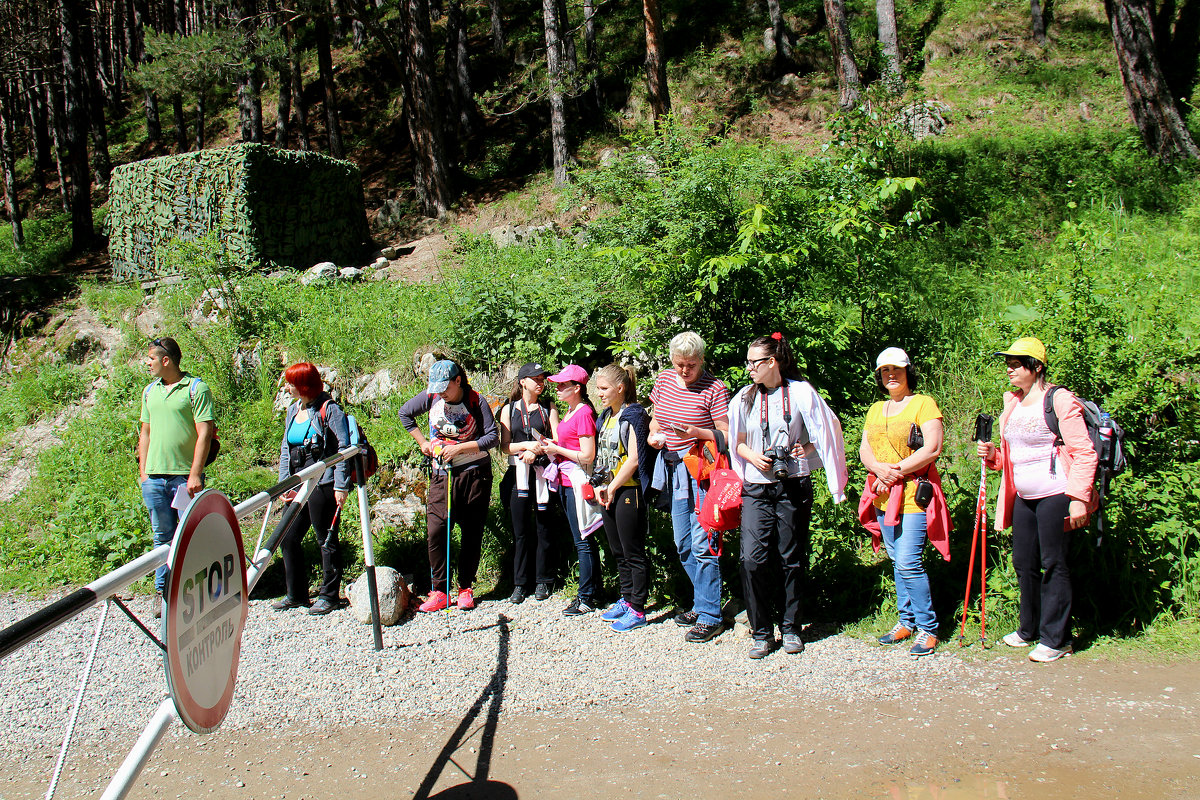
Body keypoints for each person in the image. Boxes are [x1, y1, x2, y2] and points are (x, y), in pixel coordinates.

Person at [727, 332, 849, 659]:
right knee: (752, 559)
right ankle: (762, 632)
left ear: (772, 362)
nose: (749, 368)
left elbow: (827, 431)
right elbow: (736, 442)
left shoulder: (800, 393)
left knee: (790, 558)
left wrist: (804, 449)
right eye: (748, 362)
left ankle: (792, 627)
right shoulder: (744, 397)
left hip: (792, 482)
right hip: (756, 485)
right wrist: (752, 457)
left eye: (755, 362)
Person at [977, 337, 1097, 663]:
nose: (1010, 369)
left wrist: (1078, 498)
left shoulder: (1059, 400)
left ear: (1037, 366)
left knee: (1054, 564)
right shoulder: (1013, 403)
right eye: (1008, 363)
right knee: (1023, 563)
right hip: (1024, 496)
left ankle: (1057, 639)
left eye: (1017, 363)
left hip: (1057, 492)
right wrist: (993, 456)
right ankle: (1028, 629)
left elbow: (1084, 452)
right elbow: (1013, 457)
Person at [857, 347, 949, 657]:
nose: (891, 375)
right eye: (885, 371)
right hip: (884, 494)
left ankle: (928, 627)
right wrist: (878, 470)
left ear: (908, 371)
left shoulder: (923, 404)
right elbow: (865, 450)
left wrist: (893, 472)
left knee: (909, 560)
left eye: (896, 369)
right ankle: (906, 620)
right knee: (897, 560)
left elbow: (932, 448)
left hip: (913, 495)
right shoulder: (876, 409)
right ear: (879, 377)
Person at [648, 331, 731, 643]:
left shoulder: (715, 389)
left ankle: (711, 615)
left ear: (702, 361)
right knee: (683, 542)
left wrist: (696, 431)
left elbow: (724, 435)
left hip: (702, 470)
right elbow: (657, 420)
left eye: (691, 365)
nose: (685, 370)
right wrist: (654, 435)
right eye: (680, 364)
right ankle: (703, 602)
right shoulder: (665, 381)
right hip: (672, 467)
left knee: (703, 543)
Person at [400, 359, 498, 612]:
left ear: (458, 380)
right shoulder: (432, 397)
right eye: (436, 387)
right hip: (441, 473)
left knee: (471, 529)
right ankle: (440, 590)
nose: (441, 392)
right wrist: (423, 442)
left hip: (474, 472)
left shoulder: (477, 401)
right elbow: (405, 414)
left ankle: (465, 587)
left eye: (446, 386)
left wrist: (459, 448)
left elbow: (492, 437)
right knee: (437, 529)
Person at [137, 336, 216, 617]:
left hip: (185, 479)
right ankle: (164, 593)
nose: (147, 363)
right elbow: (144, 433)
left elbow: (204, 432)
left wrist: (195, 473)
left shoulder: (195, 388)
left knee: (191, 537)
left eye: (150, 359)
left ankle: (196, 593)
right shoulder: (149, 392)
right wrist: (144, 472)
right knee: (162, 538)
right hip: (155, 479)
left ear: (165, 360)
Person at [273, 363, 351, 615]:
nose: (286, 387)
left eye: (290, 383)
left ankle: (329, 595)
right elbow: (286, 449)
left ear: (303, 385)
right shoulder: (293, 410)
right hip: (298, 483)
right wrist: (285, 483)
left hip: (323, 484)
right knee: (288, 537)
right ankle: (296, 594)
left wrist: (341, 485)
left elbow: (344, 450)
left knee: (325, 540)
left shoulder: (330, 410)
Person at [593, 364, 651, 633]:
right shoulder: (605, 416)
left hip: (628, 490)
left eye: (604, 389)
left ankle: (638, 608)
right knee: (618, 551)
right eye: (598, 389)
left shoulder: (634, 415)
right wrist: (599, 486)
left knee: (633, 551)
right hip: (608, 490)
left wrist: (614, 485)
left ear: (620, 388)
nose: (600, 394)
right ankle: (626, 599)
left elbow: (636, 458)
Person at [540, 364, 600, 617]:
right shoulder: (570, 411)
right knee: (582, 539)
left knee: (584, 539)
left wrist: (557, 450)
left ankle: (587, 597)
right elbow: (571, 444)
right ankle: (590, 593)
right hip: (566, 481)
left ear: (577, 388)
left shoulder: (583, 413)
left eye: (563, 384)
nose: (558, 388)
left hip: (577, 481)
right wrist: (553, 444)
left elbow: (588, 455)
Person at [498, 362, 559, 604]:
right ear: (522, 381)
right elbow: (505, 446)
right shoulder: (509, 409)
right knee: (520, 531)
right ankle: (520, 583)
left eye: (542, 378)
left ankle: (544, 580)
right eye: (535, 378)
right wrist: (526, 446)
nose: (540, 382)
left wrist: (538, 451)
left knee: (544, 527)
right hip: (517, 475)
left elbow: (556, 439)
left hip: (543, 472)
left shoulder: (548, 407)